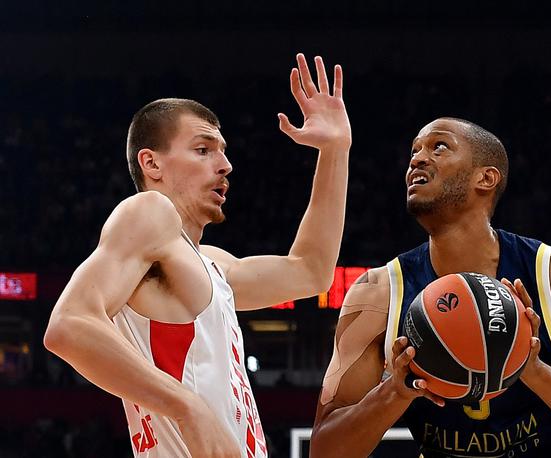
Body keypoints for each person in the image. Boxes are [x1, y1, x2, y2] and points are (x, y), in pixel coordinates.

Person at [44, 53, 351, 458]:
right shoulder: (149, 214)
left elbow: (311, 271)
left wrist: (335, 150)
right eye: (203, 150)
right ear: (151, 162)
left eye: (223, 152)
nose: (225, 165)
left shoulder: (211, 262)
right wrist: (188, 408)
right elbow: (68, 325)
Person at [310, 117, 551, 458]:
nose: (417, 158)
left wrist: (534, 369)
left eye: (439, 146)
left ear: (485, 178)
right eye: (415, 150)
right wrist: (393, 392)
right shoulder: (377, 293)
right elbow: (324, 450)